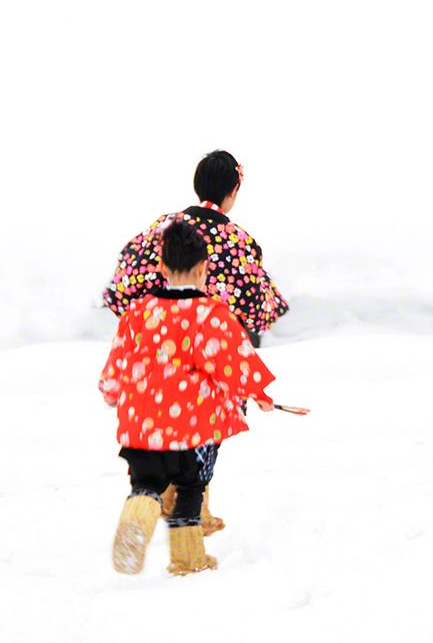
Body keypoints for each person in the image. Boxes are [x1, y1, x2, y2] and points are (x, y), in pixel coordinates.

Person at [104, 150, 288, 532]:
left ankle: (158, 502)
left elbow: (123, 287)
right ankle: (193, 515)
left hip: (154, 363)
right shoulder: (238, 242)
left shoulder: (163, 228)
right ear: (234, 190)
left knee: (161, 441)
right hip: (211, 364)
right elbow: (257, 307)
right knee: (201, 445)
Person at [100, 220, 276, 575]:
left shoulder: (138, 312)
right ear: (203, 269)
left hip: (143, 423)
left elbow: (120, 358)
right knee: (189, 489)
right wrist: (258, 393)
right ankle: (187, 559)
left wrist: (112, 389)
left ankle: (137, 517)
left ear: (162, 267)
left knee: (146, 484)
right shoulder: (212, 314)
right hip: (193, 425)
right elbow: (235, 362)